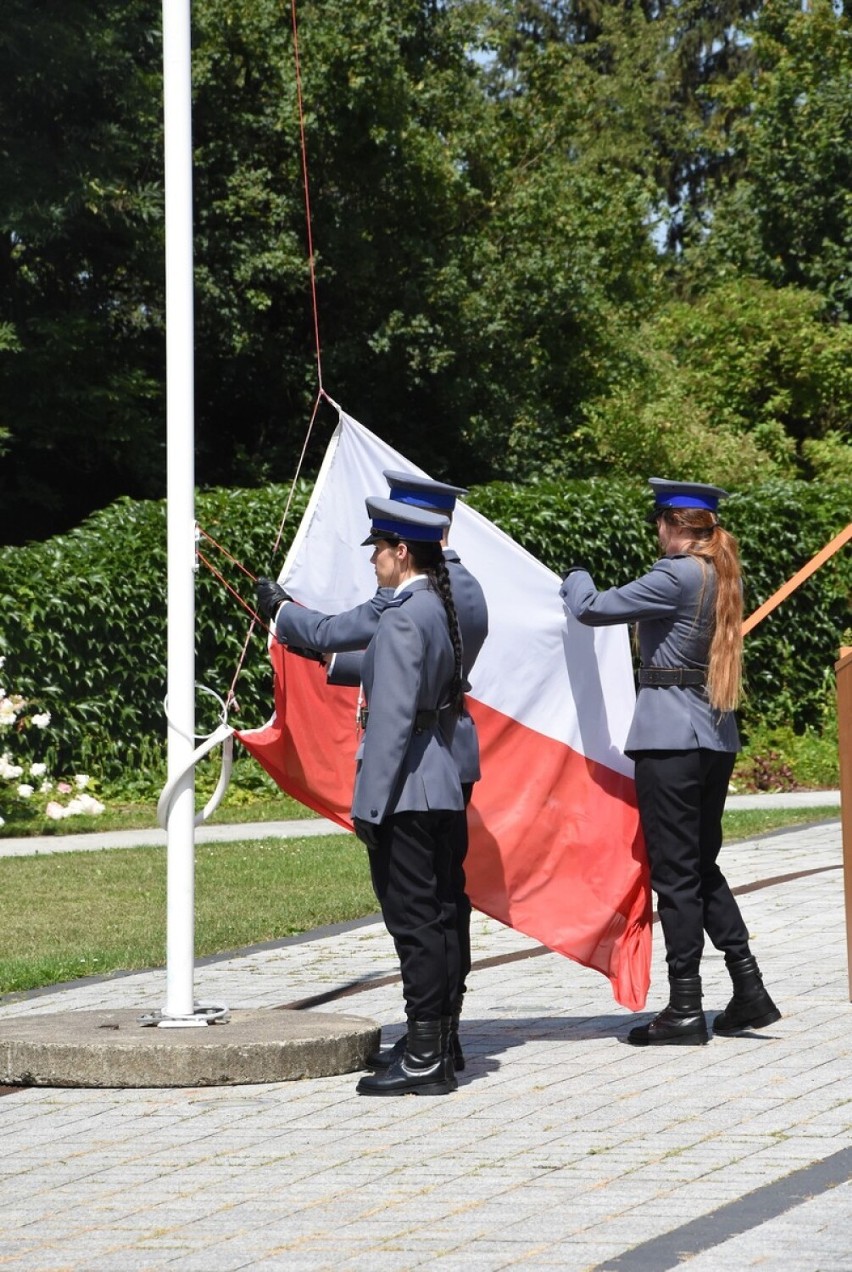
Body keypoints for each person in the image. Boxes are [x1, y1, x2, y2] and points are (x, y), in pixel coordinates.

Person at [257, 470, 488, 1071]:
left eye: (379, 548)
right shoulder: (450, 594)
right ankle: (439, 1037)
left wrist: (369, 805)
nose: (374, 560)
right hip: (442, 767)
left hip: (408, 779)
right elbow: (394, 658)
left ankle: (424, 1051)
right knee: (442, 909)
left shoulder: (411, 606)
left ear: (403, 546)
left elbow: (390, 714)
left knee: (416, 918)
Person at [560, 478, 780, 1046]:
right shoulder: (719, 573)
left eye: (658, 522)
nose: (655, 532)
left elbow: (591, 608)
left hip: (669, 740)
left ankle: (685, 1006)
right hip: (712, 735)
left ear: (673, 525)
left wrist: (573, 573)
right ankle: (748, 987)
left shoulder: (675, 574)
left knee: (676, 873)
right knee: (700, 866)